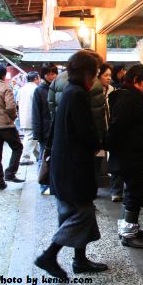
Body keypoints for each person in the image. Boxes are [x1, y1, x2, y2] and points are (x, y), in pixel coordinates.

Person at [34, 50, 108, 280]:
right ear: (87, 73)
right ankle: (49, 255)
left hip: (63, 163)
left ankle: (80, 259)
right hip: (72, 166)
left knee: (72, 211)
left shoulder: (68, 90)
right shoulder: (77, 94)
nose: (96, 77)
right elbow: (85, 130)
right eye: (95, 72)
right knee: (83, 213)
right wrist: (98, 144)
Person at [107, 65, 143, 248]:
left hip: (132, 154)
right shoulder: (128, 97)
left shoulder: (129, 95)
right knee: (135, 193)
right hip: (130, 155)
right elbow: (119, 127)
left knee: (136, 192)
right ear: (136, 80)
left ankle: (131, 227)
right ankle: (128, 234)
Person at [49, 50, 106, 185]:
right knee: (80, 198)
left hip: (62, 148)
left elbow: (51, 105)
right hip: (76, 154)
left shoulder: (61, 80)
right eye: (96, 71)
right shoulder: (81, 91)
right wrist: (97, 143)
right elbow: (93, 118)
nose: (97, 74)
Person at [32, 63, 58, 195]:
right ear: (43, 75)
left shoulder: (58, 89)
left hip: (56, 130)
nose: (51, 76)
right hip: (45, 131)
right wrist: (37, 133)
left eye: (53, 73)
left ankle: (53, 184)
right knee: (43, 158)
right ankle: (43, 185)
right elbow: (36, 114)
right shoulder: (39, 90)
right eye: (48, 73)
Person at [98, 63, 123, 202]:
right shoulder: (93, 91)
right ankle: (93, 190)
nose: (108, 78)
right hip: (99, 130)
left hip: (111, 129)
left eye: (109, 75)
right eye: (105, 75)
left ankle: (116, 191)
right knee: (96, 161)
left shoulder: (112, 90)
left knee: (115, 160)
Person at [17, 72, 40, 165]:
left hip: (23, 115)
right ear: (36, 79)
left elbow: (17, 102)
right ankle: (24, 158)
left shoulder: (22, 89)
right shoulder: (36, 89)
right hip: (32, 116)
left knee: (31, 136)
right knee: (30, 137)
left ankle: (38, 155)